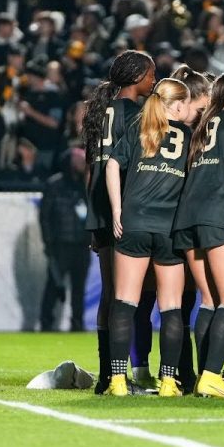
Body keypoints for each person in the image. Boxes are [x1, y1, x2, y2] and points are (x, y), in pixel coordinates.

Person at [104, 77, 193, 397]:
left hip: (135, 221)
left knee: (125, 302)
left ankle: (117, 380)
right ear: (179, 105)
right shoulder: (189, 135)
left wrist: (117, 210)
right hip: (170, 227)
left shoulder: (141, 127)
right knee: (172, 308)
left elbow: (112, 164)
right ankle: (168, 381)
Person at [172, 73, 224, 398]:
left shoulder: (202, 124)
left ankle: (204, 378)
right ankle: (210, 375)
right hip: (220, 213)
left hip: (188, 216)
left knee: (208, 300)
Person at [82, 50, 156, 394]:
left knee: (110, 295)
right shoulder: (136, 112)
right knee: (122, 297)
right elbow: (130, 165)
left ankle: (107, 375)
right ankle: (114, 376)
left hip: (97, 204)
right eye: (150, 74)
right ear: (137, 75)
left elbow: (89, 166)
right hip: (121, 203)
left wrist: (93, 217)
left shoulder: (99, 110)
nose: (153, 81)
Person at [39, 148, 91, 332]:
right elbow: (44, 217)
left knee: (79, 289)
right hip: (61, 245)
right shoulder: (54, 185)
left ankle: (77, 324)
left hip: (82, 246)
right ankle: (46, 323)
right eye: (79, 159)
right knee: (53, 286)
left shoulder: (85, 186)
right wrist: (48, 243)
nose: (83, 163)